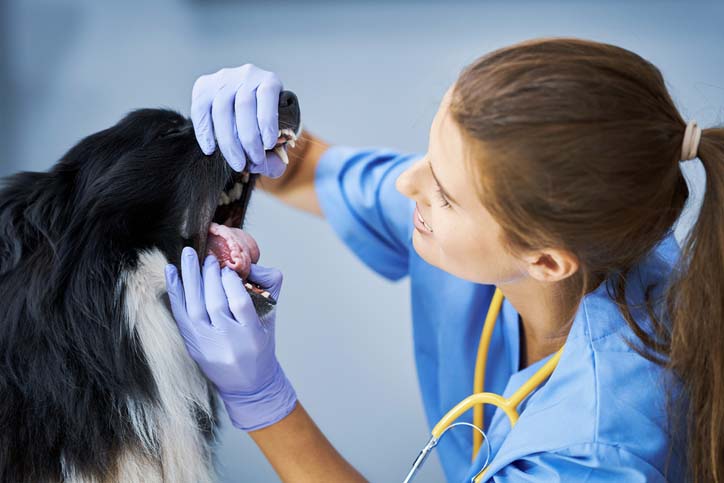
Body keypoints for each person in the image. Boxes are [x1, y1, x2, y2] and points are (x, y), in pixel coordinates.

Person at [164, 38, 724, 482]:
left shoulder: (598, 453)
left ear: (547, 262)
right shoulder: (550, 216)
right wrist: (263, 127)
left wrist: (263, 402)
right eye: (431, 154)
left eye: (446, 194)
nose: (407, 181)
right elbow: (302, 172)